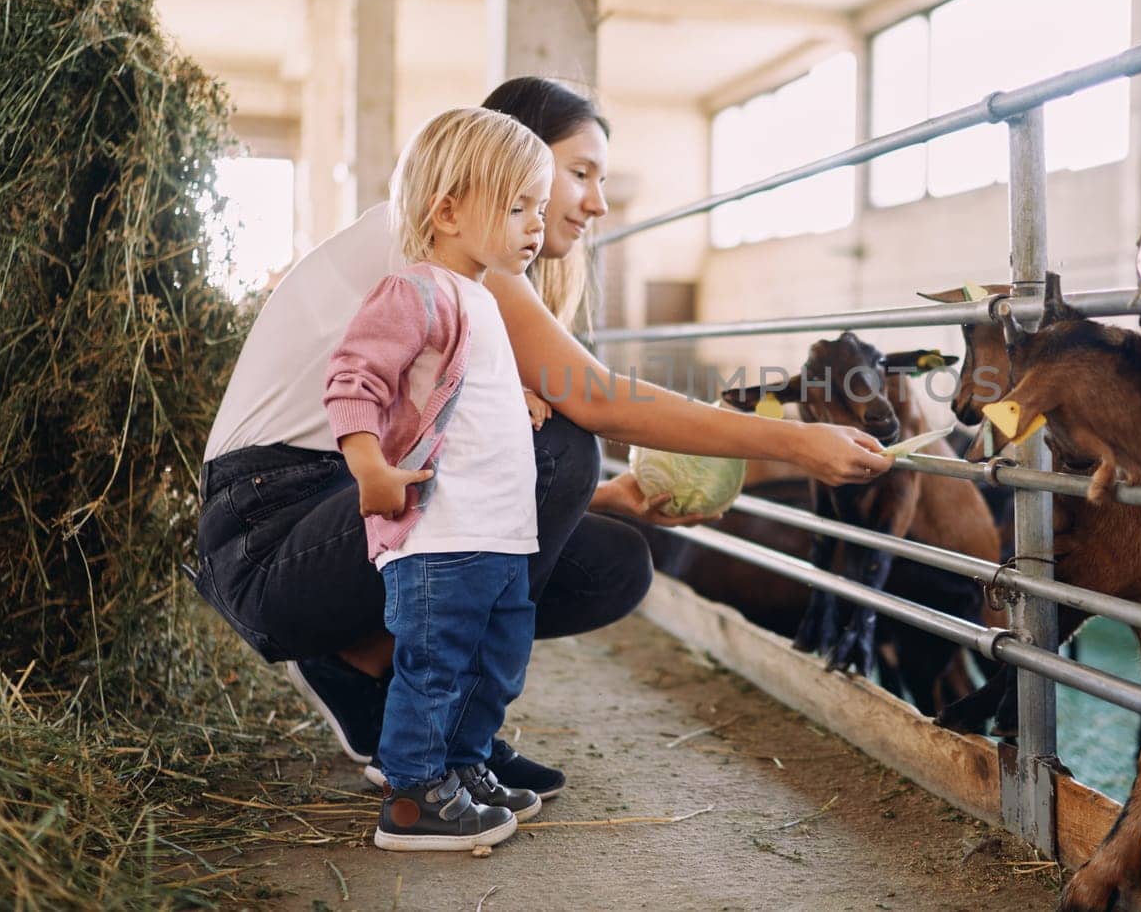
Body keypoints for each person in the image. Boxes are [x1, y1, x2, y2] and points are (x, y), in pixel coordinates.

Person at [195, 77, 890, 802]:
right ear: (506, 158)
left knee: (615, 562)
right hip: (267, 535)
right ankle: (400, 701)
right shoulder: (441, 241)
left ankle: (424, 704)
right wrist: (795, 443)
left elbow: (463, 457)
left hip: (339, 514)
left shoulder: (470, 262)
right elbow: (600, 400)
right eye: (579, 173)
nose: (598, 202)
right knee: (564, 445)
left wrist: (612, 497)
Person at [326, 107, 550, 850]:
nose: (535, 223)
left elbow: (446, 385)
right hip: (441, 530)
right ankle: (414, 797)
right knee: (437, 664)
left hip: (498, 532)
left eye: (538, 209)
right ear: (447, 210)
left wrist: (507, 398)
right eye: (517, 206)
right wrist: (370, 467)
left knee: (497, 659)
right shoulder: (417, 289)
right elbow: (354, 378)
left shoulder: (482, 298)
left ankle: (460, 766)